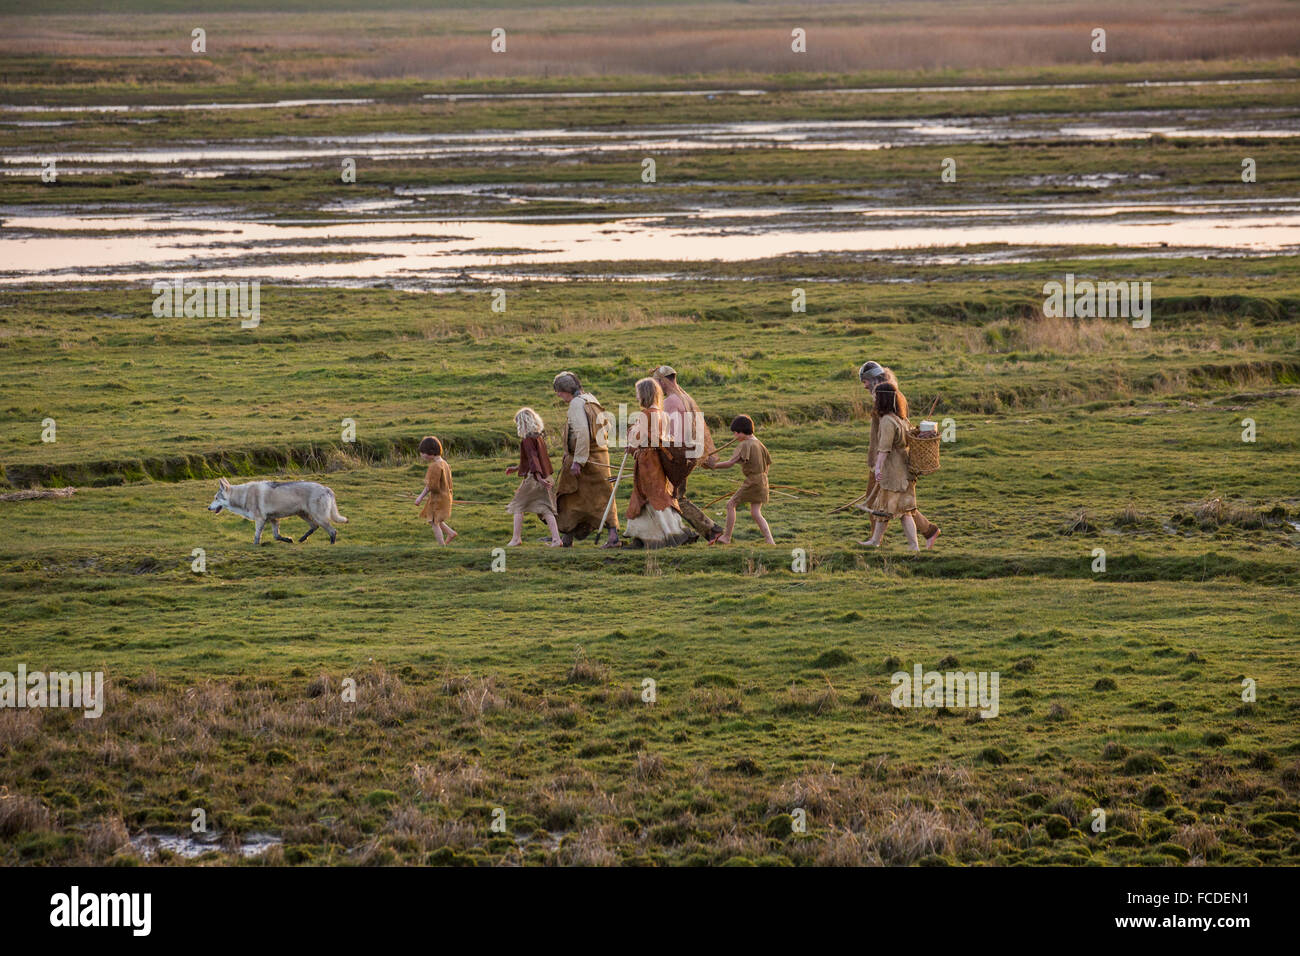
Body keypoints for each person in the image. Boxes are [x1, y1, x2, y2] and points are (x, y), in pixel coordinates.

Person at [857, 361, 940, 548]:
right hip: (889, 460)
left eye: (866, 381)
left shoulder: (886, 400)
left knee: (880, 501)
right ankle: (928, 531)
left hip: (887, 460)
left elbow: (887, 438)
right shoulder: (890, 396)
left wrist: (878, 464)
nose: (865, 386)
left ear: (874, 380)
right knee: (901, 503)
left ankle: (875, 540)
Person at [651, 364, 725, 542]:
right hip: (688, 454)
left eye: (655, 382)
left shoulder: (670, 402)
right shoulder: (686, 398)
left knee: (675, 498)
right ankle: (688, 534)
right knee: (673, 497)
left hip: (676, 457)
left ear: (662, 381)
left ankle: (709, 530)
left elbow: (668, 435)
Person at [623, 378, 697, 549]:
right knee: (649, 496)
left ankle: (672, 534)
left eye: (638, 393)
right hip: (655, 460)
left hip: (648, 462)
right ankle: (642, 536)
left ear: (644, 394)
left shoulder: (647, 414)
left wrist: (632, 443)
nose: (636, 397)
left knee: (654, 497)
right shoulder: (662, 414)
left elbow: (641, 439)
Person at [551, 371, 620, 548]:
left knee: (568, 497)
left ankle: (567, 538)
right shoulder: (591, 399)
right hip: (600, 457)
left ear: (566, 390)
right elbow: (608, 425)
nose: (558, 395)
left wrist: (578, 461)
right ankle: (612, 538)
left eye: (559, 391)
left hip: (585, 461)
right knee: (605, 497)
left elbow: (582, 432)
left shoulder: (576, 404)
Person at [859, 383, 919, 550]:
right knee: (900, 511)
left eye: (877, 397)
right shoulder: (902, 419)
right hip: (905, 470)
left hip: (893, 471)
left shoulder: (887, 421)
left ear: (882, 399)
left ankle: (879, 542)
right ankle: (879, 541)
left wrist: (878, 468)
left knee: (888, 508)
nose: (875, 400)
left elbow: (884, 449)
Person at [707, 414, 775, 545]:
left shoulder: (745, 445)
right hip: (763, 479)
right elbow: (768, 464)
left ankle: (726, 537)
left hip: (753, 481)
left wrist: (713, 466)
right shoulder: (759, 443)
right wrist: (762, 477)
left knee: (730, 504)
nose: (734, 436)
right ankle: (770, 540)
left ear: (741, 432)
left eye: (735, 433)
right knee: (755, 512)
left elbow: (730, 463)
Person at [504, 407, 562, 547]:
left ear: (523, 423)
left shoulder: (527, 440)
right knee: (546, 508)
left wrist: (538, 478)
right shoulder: (539, 438)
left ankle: (516, 539)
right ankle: (556, 539)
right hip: (545, 476)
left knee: (518, 506)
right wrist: (517, 468)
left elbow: (534, 460)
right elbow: (536, 459)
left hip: (535, 479)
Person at [414, 436, 457, 545]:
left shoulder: (435, 466)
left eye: (422, 452)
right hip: (446, 496)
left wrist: (420, 497)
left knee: (433, 522)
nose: (421, 455)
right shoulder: (445, 463)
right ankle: (450, 533)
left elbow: (430, 486)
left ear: (430, 452)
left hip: (438, 498)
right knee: (436, 518)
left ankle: (441, 546)